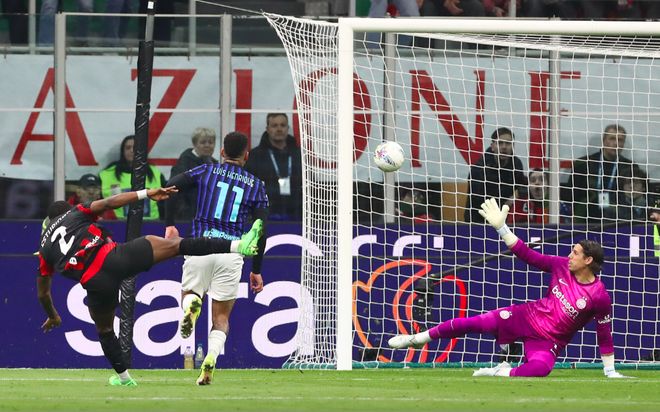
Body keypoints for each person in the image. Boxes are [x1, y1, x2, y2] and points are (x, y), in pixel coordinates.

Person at [36, 187, 264, 386]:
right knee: (177, 245)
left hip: (95, 283)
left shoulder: (44, 248)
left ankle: (124, 379)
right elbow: (109, 202)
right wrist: (146, 193)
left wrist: (53, 316)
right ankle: (237, 246)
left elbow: (43, 293)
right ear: (67, 210)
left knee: (105, 331)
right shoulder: (76, 213)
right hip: (115, 257)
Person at [390, 198, 629, 378]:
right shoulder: (560, 266)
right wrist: (502, 228)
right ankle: (416, 339)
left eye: (575, 253)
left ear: (588, 260)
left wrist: (610, 371)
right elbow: (527, 254)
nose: (570, 256)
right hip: (525, 317)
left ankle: (498, 372)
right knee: (472, 323)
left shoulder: (599, 296)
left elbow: (604, 334)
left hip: (548, 340)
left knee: (541, 369)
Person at [165, 131, 269, 385]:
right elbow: (261, 230)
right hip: (231, 251)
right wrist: (256, 269)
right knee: (221, 318)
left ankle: (191, 304)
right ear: (246, 155)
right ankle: (210, 357)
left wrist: (169, 224)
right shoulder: (256, 185)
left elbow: (171, 186)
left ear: (222, 152)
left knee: (190, 294)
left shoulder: (206, 170)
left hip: (200, 244)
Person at [562, 124, 635, 226]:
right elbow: (571, 197)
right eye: (612, 139)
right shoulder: (583, 164)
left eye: (620, 140)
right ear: (604, 141)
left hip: (618, 222)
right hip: (585, 221)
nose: (616, 143)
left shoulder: (630, 167)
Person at [245, 113, 302, 221]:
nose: (279, 129)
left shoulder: (299, 155)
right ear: (267, 129)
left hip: (297, 217)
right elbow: (248, 188)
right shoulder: (255, 155)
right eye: (274, 126)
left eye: (282, 125)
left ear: (288, 128)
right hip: (265, 216)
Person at [464, 127, 527, 223]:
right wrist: (507, 203)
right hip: (478, 220)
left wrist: (516, 198)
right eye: (500, 143)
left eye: (508, 143)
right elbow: (479, 202)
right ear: (492, 146)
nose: (504, 147)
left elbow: (522, 188)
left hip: (505, 220)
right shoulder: (479, 169)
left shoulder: (517, 164)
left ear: (513, 146)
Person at [99, 135, 166, 220]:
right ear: (123, 151)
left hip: (151, 224)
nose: (131, 150)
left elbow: (165, 202)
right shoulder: (107, 174)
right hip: (116, 224)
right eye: (128, 148)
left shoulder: (155, 173)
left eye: (135, 147)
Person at [169, 127, 218, 221]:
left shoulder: (215, 165)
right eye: (203, 142)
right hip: (186, 218)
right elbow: (174, 190)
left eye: (211, 142)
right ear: (195, 144)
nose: (207, 145)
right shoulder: (183, 164)